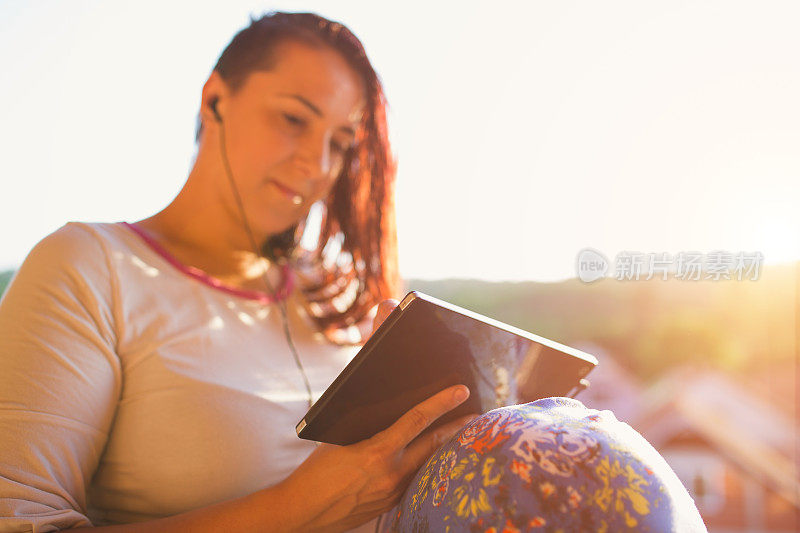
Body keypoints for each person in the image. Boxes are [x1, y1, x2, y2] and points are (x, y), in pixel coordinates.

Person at [0, 12, 475, 532]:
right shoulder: (90, 267)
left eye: (339, 143)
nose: (317, 164)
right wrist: (296, 508)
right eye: (294, 119)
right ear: (215, 99)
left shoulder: (331, 297)